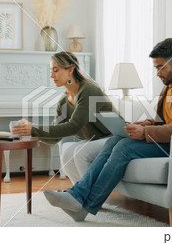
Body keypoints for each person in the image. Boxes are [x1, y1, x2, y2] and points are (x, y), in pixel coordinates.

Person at [43, 38, 172, 222]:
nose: (157, 73)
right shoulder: (169, 86)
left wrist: (146, 133)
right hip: (165, 140)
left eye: (160, 67)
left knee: (125, 147)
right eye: (155, 68)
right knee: (114, 140)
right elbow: (161, 120)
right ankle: (78, 197)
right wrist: (142, 125)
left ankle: (83, 203)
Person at [11, 51, 114, 183]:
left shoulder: (88, 90)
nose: (51, 75)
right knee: (67, 151)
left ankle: (88, 196)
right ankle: (79, 194)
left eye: (56, 70)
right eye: (51, 70)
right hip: (94, 141)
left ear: (70, 70)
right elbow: (55, 137)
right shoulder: (64, 102)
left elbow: (74, 126)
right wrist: (27, 130)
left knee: (80, 152)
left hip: (113, 137)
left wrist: (33, 129)